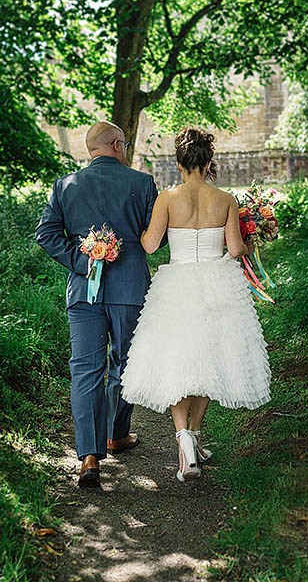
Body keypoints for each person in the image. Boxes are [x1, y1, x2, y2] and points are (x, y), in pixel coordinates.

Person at [120, 127, 271, 482]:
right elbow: (235, 250)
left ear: (178, 163)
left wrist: (138, 231)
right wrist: (252, 243)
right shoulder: (225, 200)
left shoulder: (167, 198)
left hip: (179, 284)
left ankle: (184, 440)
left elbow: (151, 245)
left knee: (179, 360)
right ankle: (197, 434)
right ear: (209, 162)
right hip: (219, 284)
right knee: (212, 358)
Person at [35, 121, 163, 488]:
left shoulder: (65, 186)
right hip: (130, 289)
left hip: (83, 293)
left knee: (85, 370)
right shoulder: (141, 183)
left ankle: (89, 456)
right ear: (117, 146)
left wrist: (84, 260)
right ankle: (115, 434)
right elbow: (158, 239)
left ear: (91, 150)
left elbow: (45, 234)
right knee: (125, 362)